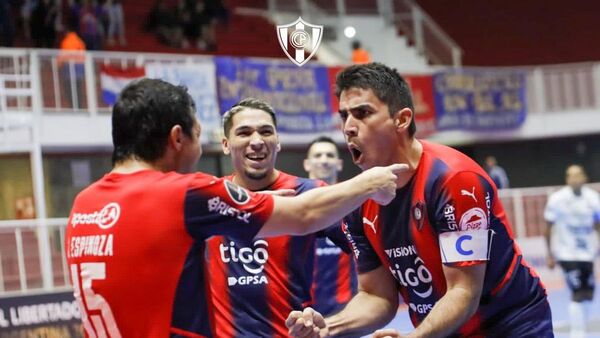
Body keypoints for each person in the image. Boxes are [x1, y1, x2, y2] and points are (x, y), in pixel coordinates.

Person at [65, 78, 404, 337]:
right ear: (177, 138)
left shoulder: (85, 204)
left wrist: (331, 326)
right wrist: (370, 182)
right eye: (200, 136)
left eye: (266, 131)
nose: (256, 141)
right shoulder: (186, 195)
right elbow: (302, 214)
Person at [286, 63, 552, 338]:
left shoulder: (454, 180)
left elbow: (463, 291)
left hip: (512, 326)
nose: (349, 128)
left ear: (401, 119)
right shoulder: (358, 200)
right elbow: (377, 295)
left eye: (362, 113)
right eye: (344, 116)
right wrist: (328, 328)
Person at [205, 99, 352, 336]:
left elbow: (368, 252)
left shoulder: (310, 193)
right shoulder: (209, 197)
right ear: (225, 144)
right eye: (244, 133)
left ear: (278, 142)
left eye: (265, 132)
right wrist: (253, 204)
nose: (257, 141)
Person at [304, 136, 358, 316]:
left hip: (344, 309)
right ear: (307, 164)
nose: (324, 160)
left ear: (340, 164)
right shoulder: (292, 203)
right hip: (301, 310)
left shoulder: (354, 203)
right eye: (318, 155)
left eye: (329, 155)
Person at [544, 164, 600, 338]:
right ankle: (578, 333)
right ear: (567, 179)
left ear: (584, 177)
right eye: (570, 176)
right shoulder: (557, 199)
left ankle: (581, 327)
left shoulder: (593, 198)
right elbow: (548, 227)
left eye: (578, 175)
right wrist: (550, 253)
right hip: (567, 253)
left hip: (588, 254)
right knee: (577, 293)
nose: (574, 179)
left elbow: (598, 224)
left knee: (587, 294)